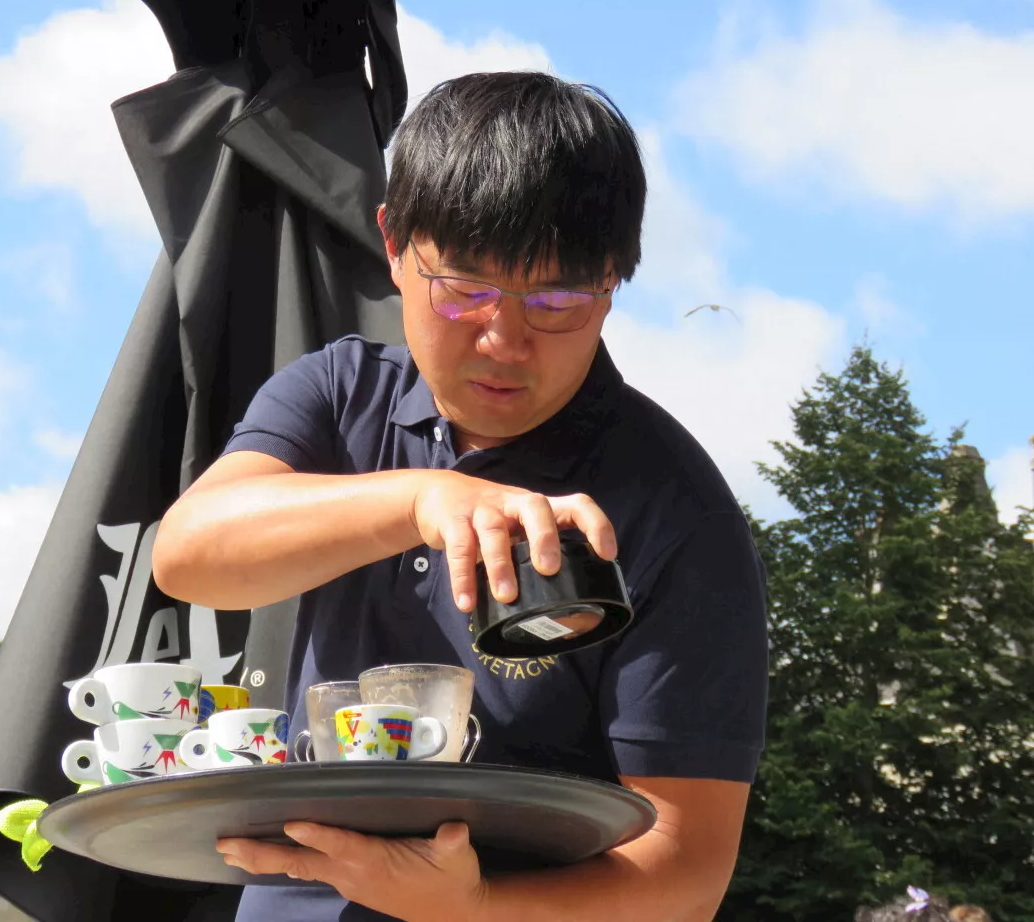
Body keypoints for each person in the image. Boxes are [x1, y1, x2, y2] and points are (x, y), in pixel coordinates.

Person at [153, 70, 769, 922]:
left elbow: (686, 870)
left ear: (616, 283)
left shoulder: (674, 508)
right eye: (466, 289)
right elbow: (191, 557)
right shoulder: (338, 396)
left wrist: (471, 905)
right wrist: (415, 500)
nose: (505, 340)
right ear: (396, 246)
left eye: (556, 300)